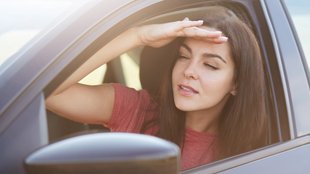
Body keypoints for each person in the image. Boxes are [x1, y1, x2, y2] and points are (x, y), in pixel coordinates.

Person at [46, 6, 269, 170]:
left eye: (210, 65)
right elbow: (51, 93)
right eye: (183, 56)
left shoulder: (255, 153)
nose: (189, 70)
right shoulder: (139, 111)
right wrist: (138, 36)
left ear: (236, 84)